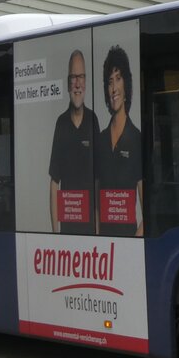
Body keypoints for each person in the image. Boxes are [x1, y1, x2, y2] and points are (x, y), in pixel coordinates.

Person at [48, 49, 99, 233]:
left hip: (90, 231)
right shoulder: (61, 123)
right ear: (68, 84)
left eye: (81, 77)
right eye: (73, 77)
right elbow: (54, 183)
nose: (77, 83)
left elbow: (98, 179)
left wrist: (98, 230)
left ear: (86, 82)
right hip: (68, 230)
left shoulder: (93, 120)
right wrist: (55, 234)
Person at [96, 45, 144, 236]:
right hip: (102, 253)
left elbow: (147, 207)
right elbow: (96, 204)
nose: (114, 88)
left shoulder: (136, 139)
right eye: (109, 82)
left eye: (118, 79)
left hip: (127, 245)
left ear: (127, 84)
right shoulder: (100, 140)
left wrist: (133, 243)